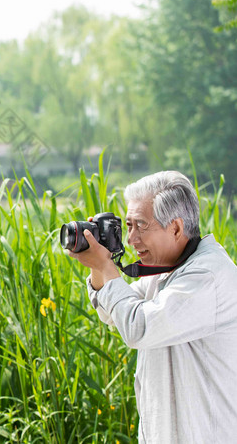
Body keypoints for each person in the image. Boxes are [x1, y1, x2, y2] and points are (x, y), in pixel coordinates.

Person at [68, 170, 237, 443]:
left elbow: (139, 328)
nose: (131, 239)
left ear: (176, 228)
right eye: (128, 225)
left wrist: (104, 266)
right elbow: (114, 312)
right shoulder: (167, 270)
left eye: (140, 225)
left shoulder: (207, 276)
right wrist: (100, 266)